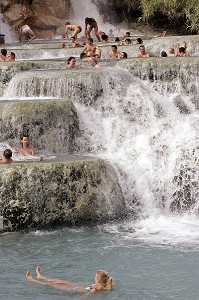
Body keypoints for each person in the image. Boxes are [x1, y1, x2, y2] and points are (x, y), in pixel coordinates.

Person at [26, 266, 113, 296]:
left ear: (98, 280)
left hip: (72, 290)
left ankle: (32, 280)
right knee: (60, 280)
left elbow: (86, 296)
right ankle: (41, 276)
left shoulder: (95, 289)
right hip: (76, 286)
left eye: (95, 277)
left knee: (51, 284)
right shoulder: (102, 286)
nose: (94, 278)